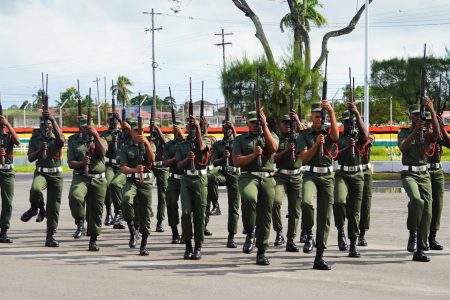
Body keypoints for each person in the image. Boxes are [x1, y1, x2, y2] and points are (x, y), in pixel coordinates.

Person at [232, 109, 279, 265]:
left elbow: (273, 148)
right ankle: (249, 232)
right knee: (249, 198)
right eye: (253, 122)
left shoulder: (270, 134)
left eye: (257, 122)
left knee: (265, 216)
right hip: (248, 176)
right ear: (247, 124)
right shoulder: (240, 140)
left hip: (267, 178)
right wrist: (253, 155)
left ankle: (261, 251)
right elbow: (237, 162)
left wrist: (265, 126)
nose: (255, 125)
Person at [297, 101, 339, 270]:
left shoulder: (328, 131)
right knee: (306, 202)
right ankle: (307, 232)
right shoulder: (304, 135)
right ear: (311, 118)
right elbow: (303, 158)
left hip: (327, 176)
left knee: (325, 217)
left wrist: (331, 112)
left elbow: (336, 137)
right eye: (317, 117)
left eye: (322, 117)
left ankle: (319, 255)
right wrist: (316, 143)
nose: (320, 120)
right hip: (311, 174)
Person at [398, 99, 439, 262]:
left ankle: (420, 249)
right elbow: (403, 147)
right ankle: (412, 231)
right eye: (415, 115)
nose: (419, 117)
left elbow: (437, 135)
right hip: (409, 174)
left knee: (427, 210)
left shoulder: (427, 133)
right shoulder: (404, 132)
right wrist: (415, 130)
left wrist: (432, 110)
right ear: (410, 116)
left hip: (424, 175)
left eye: (421, 115)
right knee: (416, 200)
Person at [22, 113, 65, 247]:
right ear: (40, 126)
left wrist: (53, 119)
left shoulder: (56, 136)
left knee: (54, 206)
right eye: (43, 125)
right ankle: (36, 208)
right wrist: (40, 151)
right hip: (41, 173)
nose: (46, 128)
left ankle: (50, 236)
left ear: (52, 126)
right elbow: (30, 158)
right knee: (35, 189)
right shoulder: (35, 139)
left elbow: (62, 141)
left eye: (49, 125)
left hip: (56, 176)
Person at [333, 102, 369, 258]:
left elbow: (366, 137)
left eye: (353, 121)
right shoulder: (339, 138)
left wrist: (357, 114)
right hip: (342, 174)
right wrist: (348, 147)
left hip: (358, 175)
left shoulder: (360, 136)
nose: (351, 124)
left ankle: (353, 243)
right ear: (343, 123)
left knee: (354, 211)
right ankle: (341, 231)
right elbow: (335, 155)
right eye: (348, 121)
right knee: (339, 201)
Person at [67, 117, 107, 251]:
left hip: (98, 179)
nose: (86, 130)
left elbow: (102, 153)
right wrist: (82, 163)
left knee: (96, 211)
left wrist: (95, 135)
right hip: (81, 177)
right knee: (75, 196)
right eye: (83, 127)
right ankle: (79, 222)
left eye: (88, 128)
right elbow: (71, 163)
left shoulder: (100, 139)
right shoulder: (74, 142)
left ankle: (93, 240)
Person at [176, 116, 211, 260]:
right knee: (185, 213)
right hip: (186, 180)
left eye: (194, 128)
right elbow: (178, 165)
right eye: (190, 128)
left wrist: (197, 129)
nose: (191, 130)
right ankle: (188, 245)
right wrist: (187, 160)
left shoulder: (206, 140)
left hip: (200, 180)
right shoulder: (182, 145)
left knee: (199, 214)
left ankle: (198, 246)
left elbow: (202, 148)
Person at [120, 120, 156, 256]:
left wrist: (146, 143)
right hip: (132, 180)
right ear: (132, 132)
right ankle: (132, 230)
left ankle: (144, 245)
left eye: (141, 131)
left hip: (146, 181)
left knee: (145, 212)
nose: (139, 133)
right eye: (136, 131)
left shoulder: (149, 144)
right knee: (126, 199)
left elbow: (152, 159)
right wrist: (135, 169)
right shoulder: (126, 148)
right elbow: (123, 169)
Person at [272, 113, 307, 252]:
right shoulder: (276, 139)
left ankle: (291, 239)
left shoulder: (299, 138)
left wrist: (298, 120)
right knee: (275, 202)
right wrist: (286, 151)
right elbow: (273, 158)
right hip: (281, 176)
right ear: (280, 125)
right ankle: (279, 232)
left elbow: (307, 136)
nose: (288, 125)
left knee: (295, 209)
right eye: (285, 123)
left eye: (290, 123)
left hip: (297, 176)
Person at [208, 119, 241, 248]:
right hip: (222, 173)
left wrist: (233, 128)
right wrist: (223, 158)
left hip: (235, 174)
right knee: (211, 178)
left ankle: (231, 236)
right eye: (224, 128)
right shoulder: (218, 144)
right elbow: (214, 162)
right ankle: (216, 204)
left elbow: (239, 143)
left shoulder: (238, 141)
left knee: (234, 207)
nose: (226, 130)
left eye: (229, 128)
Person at [424, 111, 450, 250]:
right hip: (425, 170)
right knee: (425, 205)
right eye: (426, 120)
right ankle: (420, 236)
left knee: (437, 204)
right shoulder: (421, 134)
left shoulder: (438, 133)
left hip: (438, 171)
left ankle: (432, 237)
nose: (429, 123)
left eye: (431, 120)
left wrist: (442, 127)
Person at [163, 121, 185, 244]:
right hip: (174, 179)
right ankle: (175, 233)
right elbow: (165, 163)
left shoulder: (189, 144)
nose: (177, 132)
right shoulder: (169, 145)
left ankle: (186, 232)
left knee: (187, 208)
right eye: (175, 130)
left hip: (187, 179)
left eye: (180, 129)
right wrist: (177, 158)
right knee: (171, 204)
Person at [0, 115, 20, 243]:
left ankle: (4, 231)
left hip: (7, 172)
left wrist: (8, 124)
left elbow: (17, 141)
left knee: (7, 202)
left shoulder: (8, 136)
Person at [100, 113, 122, 227]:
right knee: (109, 185)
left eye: (116, 121)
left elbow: (130, 132)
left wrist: (120, 119)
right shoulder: (104, 134)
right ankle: (108, 212)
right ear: (108, 122)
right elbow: (103, 148)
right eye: (111, 121)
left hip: (121, 165)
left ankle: (118, 214)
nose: (113, 123)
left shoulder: (122, 134)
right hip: (109, 164)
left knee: (119, 188)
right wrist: (111, 142)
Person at [149, 120, 169, 233]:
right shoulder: (148, 139)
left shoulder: (165, 137)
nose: (154, 129)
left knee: (162, 196)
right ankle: (148, 210)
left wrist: (157, 129)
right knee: (146, 189)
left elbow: (166, 144)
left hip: (163, 168)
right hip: (151, 167)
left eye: (156, 127)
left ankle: (160, 222)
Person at [358, 132, 375, 246]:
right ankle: (348, 231)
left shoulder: (369, 135)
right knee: (349, 203)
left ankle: (362, 233)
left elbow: (369, 140)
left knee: (366, 203)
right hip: (351, 171)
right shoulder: (345, 136)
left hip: (365, 171)